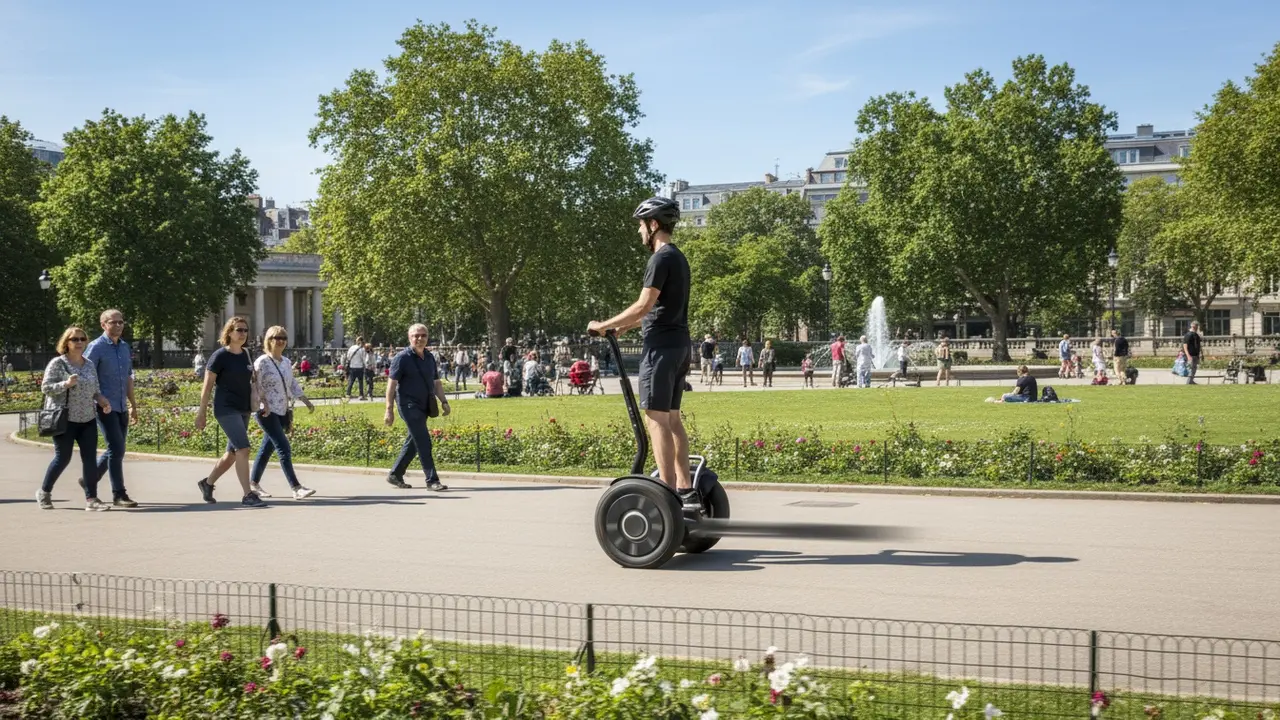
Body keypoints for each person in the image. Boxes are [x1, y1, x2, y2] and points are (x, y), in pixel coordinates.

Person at [587, 196, 699, 507]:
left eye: (640, 225)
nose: (639, 232)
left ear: (652, 225)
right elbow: (659, 310)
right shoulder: (678, 258)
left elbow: (643, 305)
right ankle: (685, 488)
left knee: (656, 419)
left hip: (660, 351)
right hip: (679, 346)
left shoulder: (659, 259)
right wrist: (624, 328)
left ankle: (666, 492)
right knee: (673, 418)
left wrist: (601, 324)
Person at [37, 327, 114, 511]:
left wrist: (102, 401)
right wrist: (66, 384)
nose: (79, 342)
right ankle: (44, 492)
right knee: (63, 458)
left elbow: (95, 390)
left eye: (82, 339)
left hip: (87, 418)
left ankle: (92, 500)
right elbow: (46, 387)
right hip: (65, 418)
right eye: (74, 339)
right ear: (66, 343)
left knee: (89, 459)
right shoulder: (58, 363)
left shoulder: (88, 364)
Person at [194, 316, 266, 507]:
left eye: (245, 330)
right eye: (239, 330)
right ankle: (247, 494)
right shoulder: (220, 356)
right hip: (226, 408)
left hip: (244, 408)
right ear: (229, 332)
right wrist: (202, 412)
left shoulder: (246, 355)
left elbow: (253, 382)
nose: (242, 333)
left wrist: (263, 401)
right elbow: (207, 386)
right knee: (243, 448)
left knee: (232, 453)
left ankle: (207, 483)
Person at [249, 325, 317, 500]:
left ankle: (253, 484)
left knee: (266, 449)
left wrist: (305, 400)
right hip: (266, 412)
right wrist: (262, 403)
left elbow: (291, 383)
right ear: (268, 340)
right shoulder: (262, 362)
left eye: (283, 338)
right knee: (283, 447)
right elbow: (255, 385)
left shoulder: (286, 362)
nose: (280, 341)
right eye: (276, 338)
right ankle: (296, 487)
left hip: (282, 410)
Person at [81, 309, 139, 507]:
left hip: (121, 405)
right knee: (116, 448)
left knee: (117, 448)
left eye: (121, 322)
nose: (118, 325)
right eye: (113, 322)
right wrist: (98, 398)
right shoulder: (95, 348)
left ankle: (90, 477)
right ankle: (119, 494)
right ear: (103, 325)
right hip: (104, 406)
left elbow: (128, 378)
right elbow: (86, 376)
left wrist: (133, 405)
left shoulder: (124, 347)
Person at [384, 323, 450, 491]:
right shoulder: (402, 358)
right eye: (416, 336)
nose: (420, 339)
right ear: (409, 338)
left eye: (423, 335)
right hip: (408, 405)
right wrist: (389, 409)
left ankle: (395, 474)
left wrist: (444, 401)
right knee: (423, 441)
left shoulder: (429, 357)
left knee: (414, 440)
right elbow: (391, 385)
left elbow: (436, 383)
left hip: (425, 404)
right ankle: (432, 480)